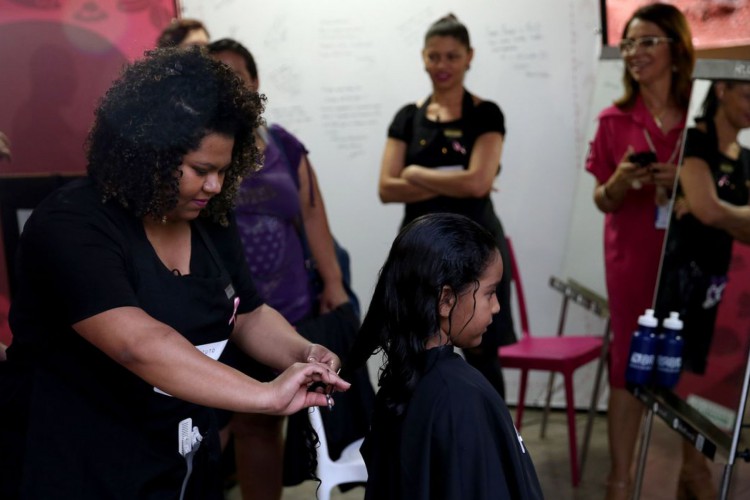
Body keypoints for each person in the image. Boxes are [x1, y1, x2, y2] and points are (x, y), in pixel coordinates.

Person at [0, 47, 349, 500]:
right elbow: (140, 344)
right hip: (78, 468)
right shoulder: (70, 226)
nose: (215, 186)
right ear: (148, 154)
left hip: (178, 461)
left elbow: (248, 314)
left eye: (224, 171)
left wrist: (303, 353)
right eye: (201, 170)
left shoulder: (209, 220)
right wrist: (265, 395)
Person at [206, 38, 370, 500]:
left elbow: (313, 215)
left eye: (234, 76)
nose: (225, 87)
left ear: (254, 83)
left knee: (261, 429)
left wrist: (334, 284)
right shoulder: (198, 151)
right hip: (225, 314)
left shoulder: (283, 146)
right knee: (215, 427)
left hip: (289, 311)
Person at [346, 212, 542, 499]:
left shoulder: (401, 380)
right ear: (446, 299)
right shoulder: (459, 396)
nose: (497, 306)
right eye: (489, 293)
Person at [584, 3, 695, 498]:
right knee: (628, 363)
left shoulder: (703, 114)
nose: (634, 52)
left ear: (676, 47)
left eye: (647, 41)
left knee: (691, 361)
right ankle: (620, 477)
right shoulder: (614, 119)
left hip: (692, 259)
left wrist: (685, 183)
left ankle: (697, 469)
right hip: (630, 260)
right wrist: (620, 180)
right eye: (628, 43)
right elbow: (602, 198)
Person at [377, 13, 514, 399]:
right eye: (434, 56)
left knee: (482, 350)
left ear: (470, 57)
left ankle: (495, 439)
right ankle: (423, 434)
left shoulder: (486, 114)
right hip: (423, 252)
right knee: (418, 346)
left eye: (452, 56)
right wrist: (454, 181)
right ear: (423, 57)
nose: (442, 66)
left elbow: (478, 182)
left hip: (477, 250)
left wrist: (417, 172)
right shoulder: (407, 117)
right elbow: (387, 188)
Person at [655, 79, 750, 499]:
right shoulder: (694, 141)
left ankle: (692, 478)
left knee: (705, 387)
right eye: (748, 95)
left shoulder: (746, 158)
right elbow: (708, 210)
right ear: (724, 89)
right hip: (682, 285)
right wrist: (725, 213)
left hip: (722, 291)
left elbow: (711, 209)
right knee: (681, 387)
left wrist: (713, 209)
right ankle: (696, 476)